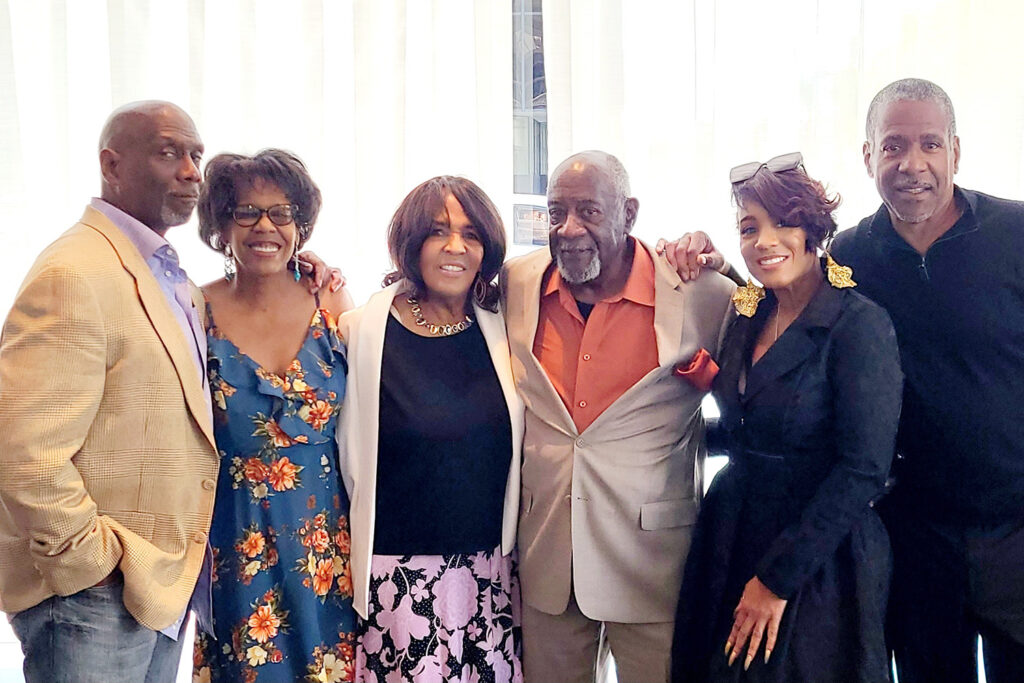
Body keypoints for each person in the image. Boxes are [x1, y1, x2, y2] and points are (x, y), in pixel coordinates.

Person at [670, 78, 1024, 683]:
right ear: (868, 157)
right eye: (893, 147)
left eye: (930, 145)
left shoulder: (1014, 235)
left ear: (956, 152)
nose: (912, 164)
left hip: (1014, 527)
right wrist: (717, 262)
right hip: (913, 530)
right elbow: (786, 291)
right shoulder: (854, 255)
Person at [0, 101, 217, 683]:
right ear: (112, 165)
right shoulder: (75, 273)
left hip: (156, 593)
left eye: (197, 155)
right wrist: (91, 567)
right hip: (92, 598)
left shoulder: (171, 280)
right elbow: (24, 454)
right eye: (170, 152)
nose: (192, 171)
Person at [502, 150, 736, 683]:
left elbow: (772, 338)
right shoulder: (518, 283)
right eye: (556, 211)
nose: (568, 228)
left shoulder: (701, 292)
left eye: (589, 211)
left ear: (629, 214)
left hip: (651, 558)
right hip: (549, 556)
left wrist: (727, 261)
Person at [671, 153, 903, 682]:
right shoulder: (749, 313)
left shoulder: (859, 325)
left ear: (814, 228)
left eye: (784, 222)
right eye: (749, 228)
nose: (765, 240)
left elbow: (863, 469)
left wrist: (775, 581)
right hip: (732, 533)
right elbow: (746, 429)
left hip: (818, 555)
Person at [338, 176, 525, 682]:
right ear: (410, 241)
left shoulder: (505, 327)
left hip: (488, 576)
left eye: (470, 234)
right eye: (438, 231)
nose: (454, 247)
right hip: (397, 579)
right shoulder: (360, 331)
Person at [190, 149, 356, 683]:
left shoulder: (331, 301)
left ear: (300, 225)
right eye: (246, 212)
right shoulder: (193, 309)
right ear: (221, 223)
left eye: (281, 213)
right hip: (236, 542)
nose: (265, 226)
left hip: (328, 548)